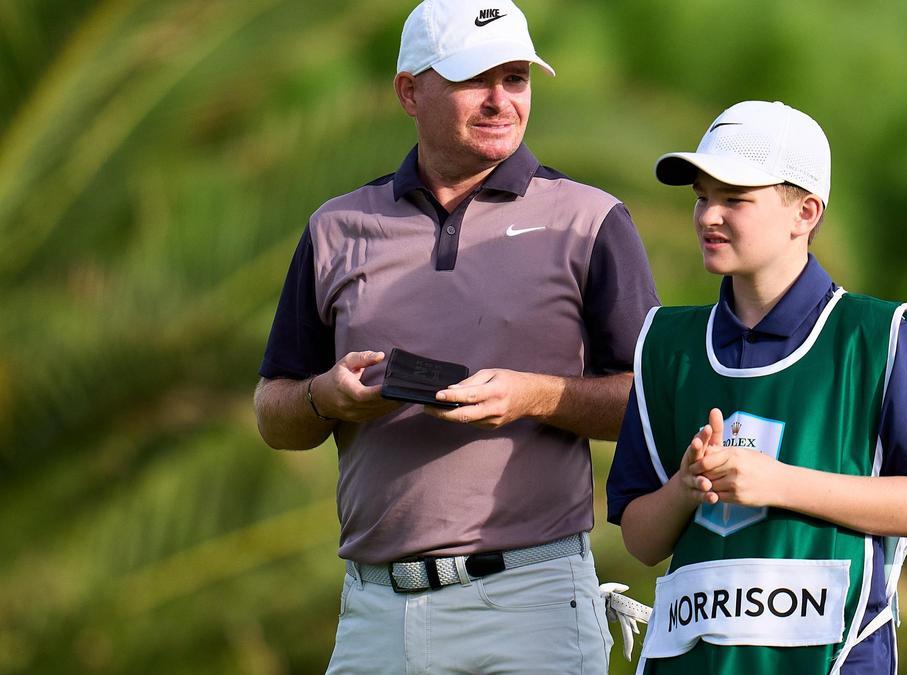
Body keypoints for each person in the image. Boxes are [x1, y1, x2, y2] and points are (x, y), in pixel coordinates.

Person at [253, 1, 658, 672]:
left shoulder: (590, 220)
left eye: (517, 78)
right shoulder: (337, 227)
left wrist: (535, 396)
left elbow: (650, 402)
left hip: (531, 605)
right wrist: (329, 397)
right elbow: (274, 412)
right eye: (477, 79)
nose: (502, 100)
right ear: (410, 91)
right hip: (376, 612)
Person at [607, 100, 907, 674]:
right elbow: (643, 542)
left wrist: (776, 482)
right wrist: (686, 486)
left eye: (735, 199)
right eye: (702, 196)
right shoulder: (666, 341)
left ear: (805, 212)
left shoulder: (878, 335)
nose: (707, 216)